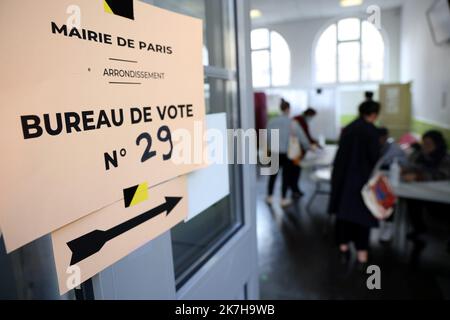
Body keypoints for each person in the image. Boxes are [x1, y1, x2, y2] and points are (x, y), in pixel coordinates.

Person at [328, 99, 382, 268]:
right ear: (374, 115)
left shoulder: (349, 128)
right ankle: (362, 257)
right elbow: (375, 158)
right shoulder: (372, 132)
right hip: (362, 182)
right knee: (362, 219)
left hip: (343, 180)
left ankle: (343, 250)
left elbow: (340, 155)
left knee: (344, 216)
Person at [402, 131, 450, 245]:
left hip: (440, 195)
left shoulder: (445, 158)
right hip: (420, 192)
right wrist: (405, 170)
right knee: (412, 200)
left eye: (429, 144)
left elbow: (442, 175)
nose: (425, 147)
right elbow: (410, 166)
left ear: (438, 144)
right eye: (423, 143)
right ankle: (418, 228)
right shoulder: (418, 155)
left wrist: (419, 176)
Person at [267, 99, 311, 207]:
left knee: (272, 175)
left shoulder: (271, 121)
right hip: (287, 153)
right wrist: (308, 146)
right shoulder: (292, 123)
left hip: (274, 152)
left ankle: (270, 196)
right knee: (285, 177)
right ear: (288, 109)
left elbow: (266, 136)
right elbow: (302, 137)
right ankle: (283, 199)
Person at [292, 108, 319, 197]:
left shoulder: (300, 120)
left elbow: (306, 136)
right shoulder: (298, 121)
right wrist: (310, 144)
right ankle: (294, 189)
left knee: (296, 170)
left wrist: (313, 142)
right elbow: (303, 136)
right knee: (294, 170)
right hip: (295, 149)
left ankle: (295, 189)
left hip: (297, 149)